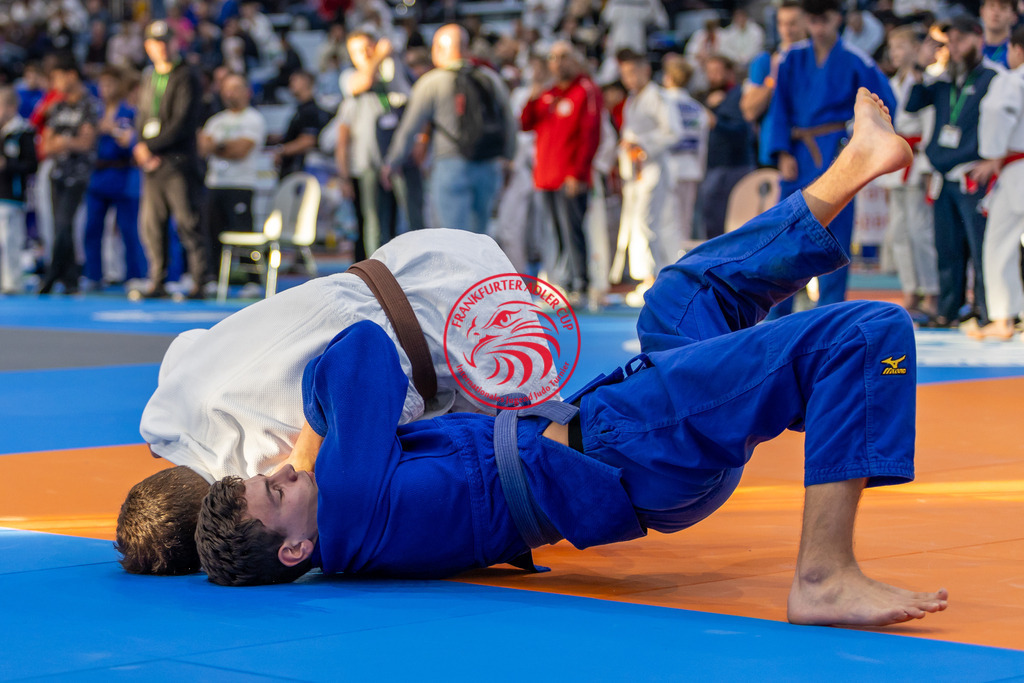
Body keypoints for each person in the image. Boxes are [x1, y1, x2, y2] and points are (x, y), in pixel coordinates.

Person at [197, 92, 951, 631]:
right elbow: (363, 350)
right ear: (295, 547)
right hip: (634, 443)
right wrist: (312, 427)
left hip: (624, 438)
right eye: (277, 490)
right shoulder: (350, 504)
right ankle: (823, 573)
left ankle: (855, 164)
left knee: (685, 293)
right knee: (863, 332)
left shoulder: (359, 526)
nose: (289, 470)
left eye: (278, 471)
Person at [117, 228, 563, 575]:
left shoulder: (261, 463)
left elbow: (365, 382)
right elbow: (188, 342)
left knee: (559, 458)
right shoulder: (163, 415)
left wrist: (307, 455)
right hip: (407, 258)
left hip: (463, 331)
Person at [766, 0, 895, 316]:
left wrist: (859, 143)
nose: (818, 28)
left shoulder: (855, 60)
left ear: (838, 19)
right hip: (798, 151)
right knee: (788, 230)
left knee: (835, 232)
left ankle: (828, 312)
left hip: (837, 151)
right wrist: (781, 152)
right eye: (813, 20)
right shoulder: (791, 59)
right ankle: (778, 309)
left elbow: (885, 103)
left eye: (824, 20)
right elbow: (778, 108)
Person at [907, 15, 1002, 328]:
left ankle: (988, 311)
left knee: (980, 247)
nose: (955, 48)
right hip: (943, 175)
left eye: (961, 40)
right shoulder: (944, 80)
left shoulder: (993, 77)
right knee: (947, 247)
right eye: (950, 43)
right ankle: (949, 309)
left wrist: (995, 159)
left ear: (978, 37)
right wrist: (922, 64)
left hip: (975, 173)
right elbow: (912, 104)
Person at [381, 24, 516, 234]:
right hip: (488, 165)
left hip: (451, 165)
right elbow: (510, 120)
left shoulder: (432, 82)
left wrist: (392, 162)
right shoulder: (489, 77)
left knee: (454, 237)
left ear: (440, 49)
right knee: (481, 235)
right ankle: (481, 269)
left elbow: (409, 129)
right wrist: (508, 158)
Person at [520, 40, 602, 302]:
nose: (558, 62)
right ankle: (560, 283)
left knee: (572, 231)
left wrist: (577, 173)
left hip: (569, 177)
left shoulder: (585, 90)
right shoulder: (548, 94)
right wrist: (532, 95)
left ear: (575, 59)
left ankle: (580, 284)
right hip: (545, 177)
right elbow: (525, 123)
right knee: (552, 233)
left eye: (563, 56)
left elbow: (589, 135)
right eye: (553, 57)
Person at [134, 20, 208, 300]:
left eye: (166, 41)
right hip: (152, 165)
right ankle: (158, 280)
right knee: (152, 225)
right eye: (156, 42)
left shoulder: (187, 75)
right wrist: (141, 147)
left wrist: (149, 146)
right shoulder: (149, 76)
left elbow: (183, 122)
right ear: (148, 46)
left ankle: (200, 280)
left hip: (178, 162)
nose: (162, 47)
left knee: (188, 222)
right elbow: (142, 117)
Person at [875, 27, 939, 319]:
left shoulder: (926, 83)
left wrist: (926, 169)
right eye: (893, 48)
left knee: (919, 231)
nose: (895, 53)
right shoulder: (888, 83)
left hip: (917, 161)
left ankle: (932, 292)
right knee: (899, 232)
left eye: (901, 47)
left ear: (915, 50)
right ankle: (911, 290)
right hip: (894, 163)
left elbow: (930, 125)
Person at [614, 48, 682, 304]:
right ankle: (652, 278)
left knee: (650, 223)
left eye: (633, 72)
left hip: (654, 168)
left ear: (645, 70)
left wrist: (642, 143)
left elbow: (673, 133)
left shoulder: (658, 96)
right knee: (641, 224)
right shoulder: (633, 99)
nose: (629, 79)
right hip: (636, 170)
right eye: (625, 75)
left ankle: (655, 278)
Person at [972, 26, 1024, 340]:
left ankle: (1003, 318)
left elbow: (996, 110)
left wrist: (991, 153)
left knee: (1000, 243)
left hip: (1017, 168)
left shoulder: (1013, 79)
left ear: (1016, 48)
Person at [82, 65, 147, 292]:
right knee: (92, 228)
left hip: (122, 175)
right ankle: (93, 275)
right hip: (98, 176)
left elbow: (133, 144)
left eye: (111, 84)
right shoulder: (94, 112)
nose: (106, 88)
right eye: (103, 84)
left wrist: (114, 131)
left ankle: (135, 276)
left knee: (129, 229)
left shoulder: (129, 112)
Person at [38, 53, 97, 295]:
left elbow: (86, 142)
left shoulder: (89, 103)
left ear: (71, 75)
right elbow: (44, 145)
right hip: (57, 172)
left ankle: (52, 274)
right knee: (60, 226)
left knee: (64, 223)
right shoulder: (58, 106)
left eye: (57, 78)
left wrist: (61, 141)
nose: (55, 84)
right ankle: (70, 278)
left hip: (79, 174)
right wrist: (66, 141)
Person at [197, 73, 266, 284]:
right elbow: (201, 147)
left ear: (247, 91)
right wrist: (226, 146)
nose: (230, 93)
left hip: (241, 185)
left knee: (244, 233)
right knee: (212, 234)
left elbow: (242, 150)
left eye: (236, 88)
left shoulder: (253, 119)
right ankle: (214, 278)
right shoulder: (216, 120)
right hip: (215, 184)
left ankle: (252, 280)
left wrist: (217, 146)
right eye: (227, 88)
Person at [741, 0, 807, 168]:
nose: (787, 30)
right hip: (773, 157)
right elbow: (749, 111)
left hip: (811, 151)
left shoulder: (819, 61)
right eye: (782, 24)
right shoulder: (765, 62)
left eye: (793, 24)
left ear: (806, 22)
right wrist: (773, 78)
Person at [699, 54, 755, 240]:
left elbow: (744, 131)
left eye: (717, 71)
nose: (713, 76)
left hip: (735, 166)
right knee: (712, 219)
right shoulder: (708, 97)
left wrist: (717, 122)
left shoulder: (739, 95)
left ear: (729, 73)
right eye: (710, 72)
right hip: (715, 166)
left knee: (735, 221)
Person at [661, 54, 708, 248]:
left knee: (665, 223)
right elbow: (703, 145)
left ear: (668, 78)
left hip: (668, 167)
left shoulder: (662, 102)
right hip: (690, 168)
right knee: (685, 222)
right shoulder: (697, 108)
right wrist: (699, 171)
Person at [0, 88, 38, 295]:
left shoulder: (23, 131)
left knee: (10, 240)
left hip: (12, 195)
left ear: (11, 107)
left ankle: (12, 282)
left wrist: (8, 165)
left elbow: (32, 165)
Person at [272, 70, 330, 179]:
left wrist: (282, 151)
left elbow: (308, 140)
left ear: (306, 82)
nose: (290, 84)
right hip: (293, 171)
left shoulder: (310, 110)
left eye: (295, 80)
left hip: (301, 172)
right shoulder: (300, 110)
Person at [981, 0, 1019, 67]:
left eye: (1003, 8)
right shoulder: (971, 47)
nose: (996, 13)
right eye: (991, 6)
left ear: (1014, 16)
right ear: (982, 11)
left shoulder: (1017, 52)